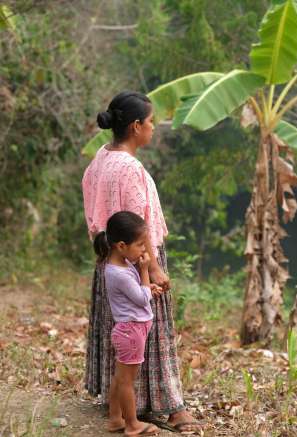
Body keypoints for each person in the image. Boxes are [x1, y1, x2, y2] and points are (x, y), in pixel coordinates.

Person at [82, 91, 202, 433]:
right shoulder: (130, 168)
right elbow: (138, 222)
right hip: (136, 259)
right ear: (135, 127)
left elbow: (94, 217)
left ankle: (119, 405)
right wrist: (152, 267)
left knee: (118, 333)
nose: (153, 129)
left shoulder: (98, 161)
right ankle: (171, 407)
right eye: (151, 123)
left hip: (110, 260)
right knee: (150, 330)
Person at [93, 211, 161, 436]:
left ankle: (115, 419)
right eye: (141, 244)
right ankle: (132, 424)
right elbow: (141, 299)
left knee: (121, 377)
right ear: (121, 245)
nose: (144, 250)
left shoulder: (121, 264)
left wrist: (148, 287)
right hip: (131, 332)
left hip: (131, 330)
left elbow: (137, 293)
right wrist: (145, 272)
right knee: (127, 382)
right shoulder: (120, 272)